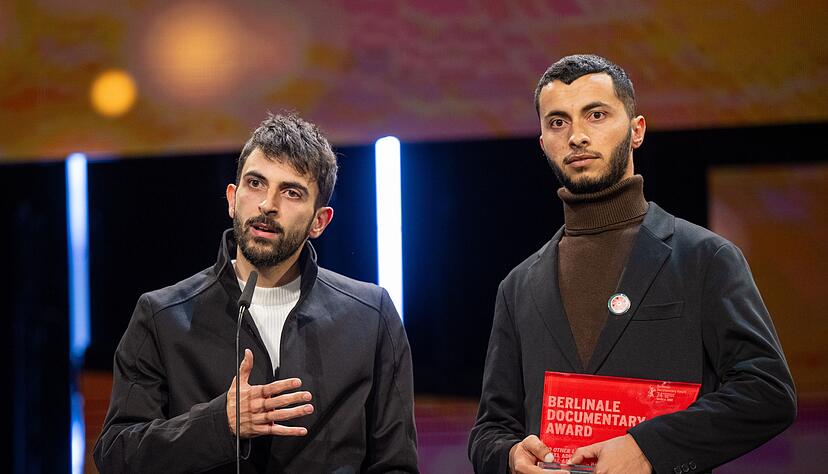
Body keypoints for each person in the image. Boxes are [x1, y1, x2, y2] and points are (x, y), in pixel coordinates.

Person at [468, 55, 796, 474]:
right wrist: (509, 457)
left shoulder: (704, 258)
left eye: (596, 114)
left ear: (636, 130)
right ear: (542, 143)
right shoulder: (517, 287)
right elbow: (491, 428)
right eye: (557, 122)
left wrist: (649, 449)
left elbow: (767, 392)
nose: (577, 136)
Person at [93, 113, 419, 473]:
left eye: (291, 192)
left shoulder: (370, 317)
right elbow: (116, 456)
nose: (268, 204)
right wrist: (221, 423)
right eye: (256, 183)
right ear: (233, 199)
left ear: (319, 222)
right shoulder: (162, 316)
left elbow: (396, 464)